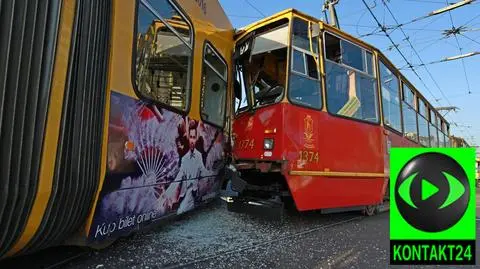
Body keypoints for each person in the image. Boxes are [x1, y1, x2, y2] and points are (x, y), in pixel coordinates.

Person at [159, 120, 212, 214]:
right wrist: (167, 194)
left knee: (182, 209)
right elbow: (178, 178)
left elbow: (203, 171)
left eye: (194, 137)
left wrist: (212, 174)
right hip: (184, 193)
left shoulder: (199, 155)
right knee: (180, 209)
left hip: (193, 192)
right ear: (188, 138)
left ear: (196, 139)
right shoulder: (184, 158)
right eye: (190, 137)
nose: (192, 140)